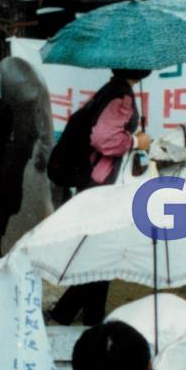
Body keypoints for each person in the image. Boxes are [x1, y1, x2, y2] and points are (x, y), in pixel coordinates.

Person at [49, 69, 152, 327]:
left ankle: (86, 317)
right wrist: (135, 142)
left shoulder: (111, 91)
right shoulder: (121, 96)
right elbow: (104, 139)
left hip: (95, 182)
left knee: (101, 252)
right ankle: (68, 314)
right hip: (102, 184)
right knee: (104, 253)